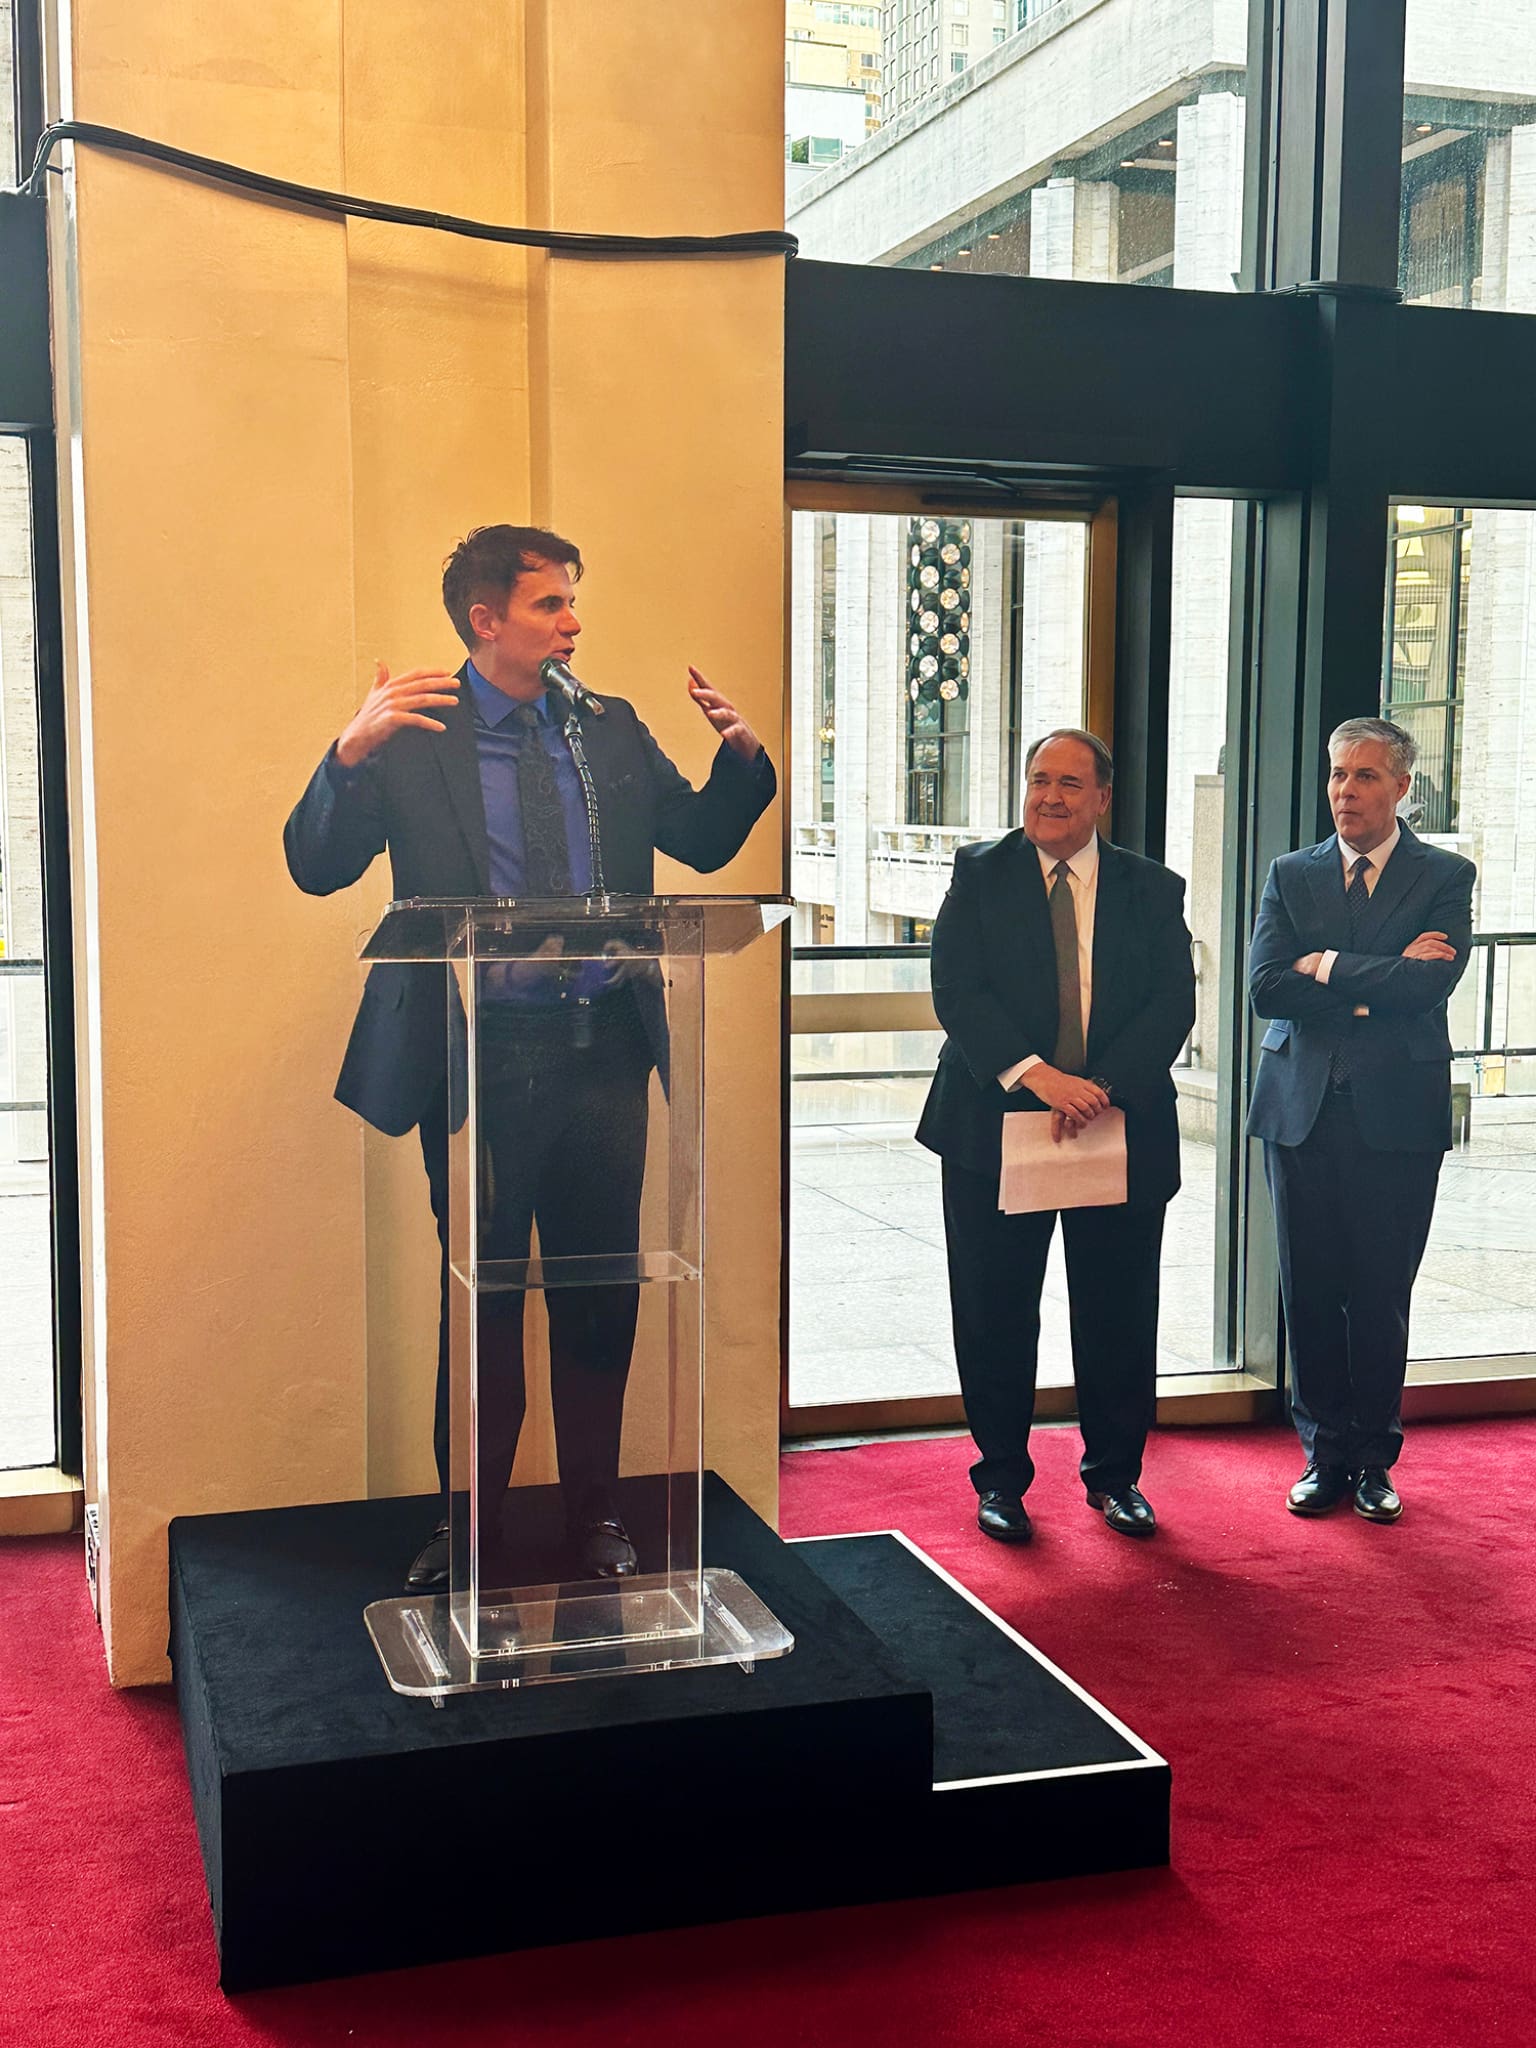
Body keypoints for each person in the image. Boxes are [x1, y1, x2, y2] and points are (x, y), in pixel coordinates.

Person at [284, 525, 775, 1590]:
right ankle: (469, 1524)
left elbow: (698, 839)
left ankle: (598, 1512)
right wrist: (346, 756)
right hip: (481, 1066)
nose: (573, 623)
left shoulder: (608, 727)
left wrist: (743, 765)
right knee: (483, 1302)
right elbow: (315, 865)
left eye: (571, 602)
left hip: (604, 1055)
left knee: (601, 1295)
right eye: (551, 603)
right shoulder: (416, 736)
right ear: (485, 618)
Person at [916, 730, 1195, 1544]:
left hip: (1118, 1124)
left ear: (1102, 797)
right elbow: (956, 989)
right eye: (1039, 779)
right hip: (995, 1126)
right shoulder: (980, 874)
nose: (1049, 796)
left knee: (1118, 1311)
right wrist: (1042, 1078)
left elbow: (1172, 1004)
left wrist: (1098, 1088)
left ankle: (1116, 1478)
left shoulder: (1152, 888)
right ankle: (1001, 1479)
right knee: (996, 1311)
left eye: (1070, 784)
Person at [1247, 715, 1474, 1523]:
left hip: (1397, 1117)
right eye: (1338, 774)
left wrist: (1327, 966)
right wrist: (1378, 980)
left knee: (1380, 1295)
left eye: (1365, 776)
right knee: (1309, 1294)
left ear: (1402, 786)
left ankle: (1374, 1459)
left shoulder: (1445, 875)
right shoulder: (1291, 874)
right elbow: (1267, 987)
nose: (1345, 791)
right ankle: (1324, 1455)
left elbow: (1429, 987)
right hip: (1299, 1111)